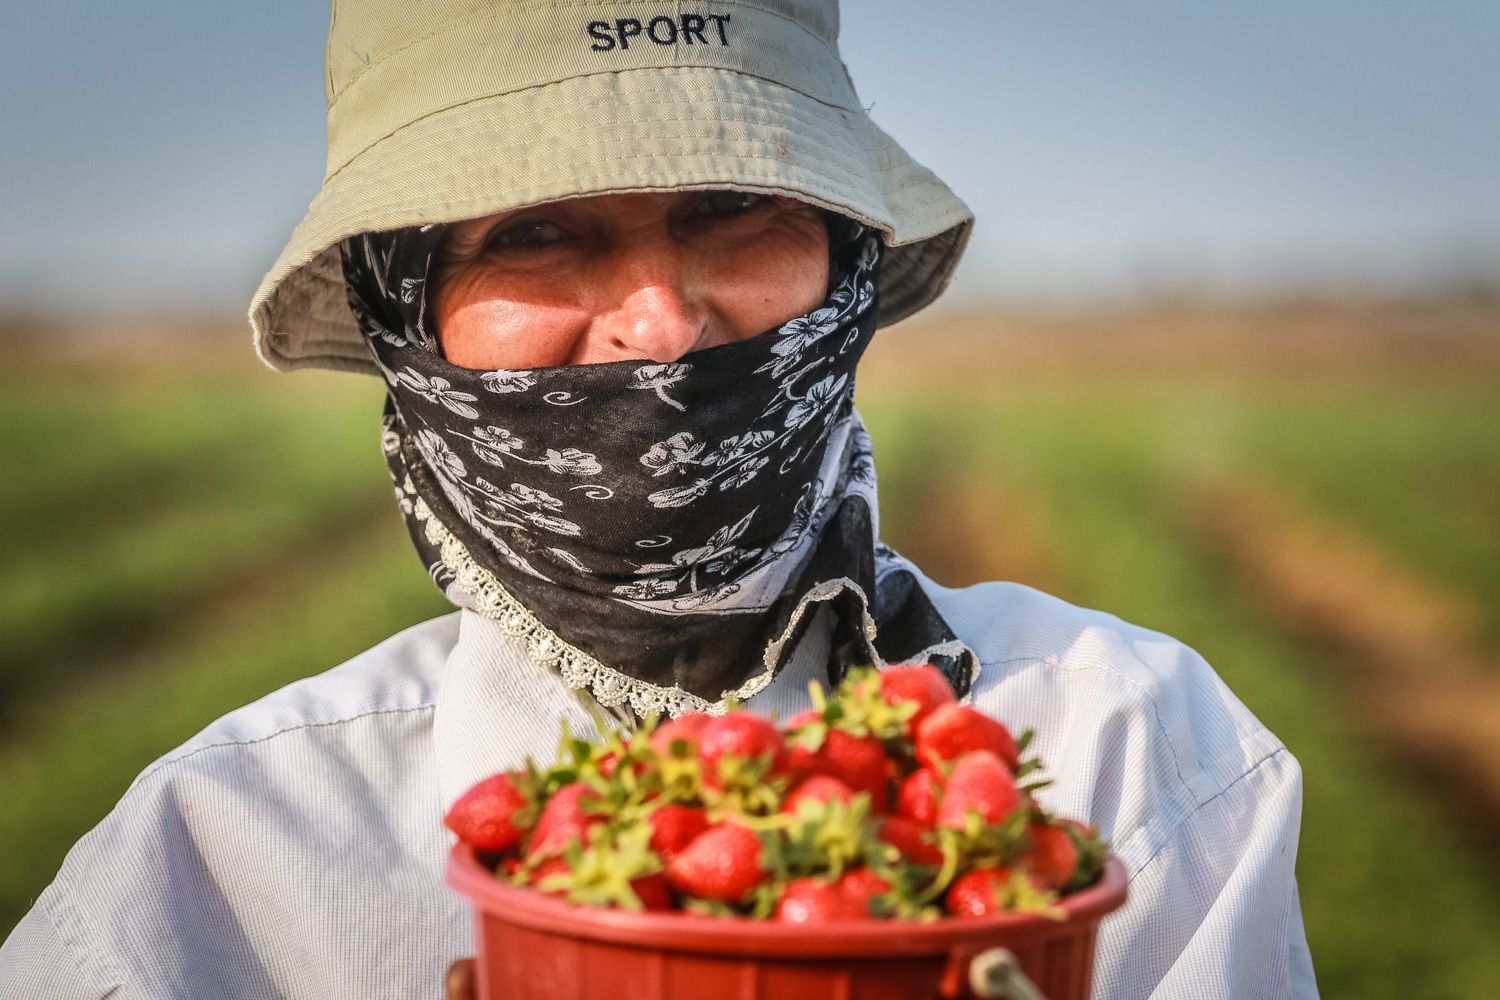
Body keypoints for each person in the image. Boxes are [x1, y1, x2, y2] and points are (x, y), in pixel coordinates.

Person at [0, 2, 1318, 998]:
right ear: (407, 314)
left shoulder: (1133, 768)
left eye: (734, 204)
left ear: (848, 265)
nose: (664, 323)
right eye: (530, 230)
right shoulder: (226, 867)